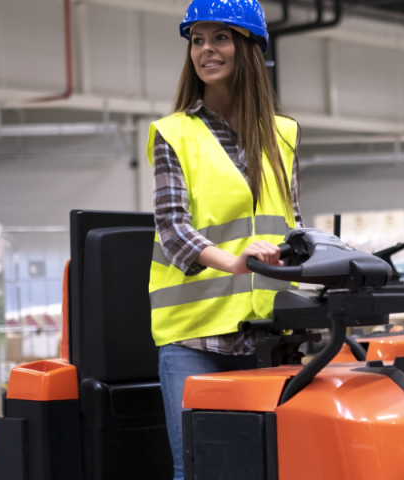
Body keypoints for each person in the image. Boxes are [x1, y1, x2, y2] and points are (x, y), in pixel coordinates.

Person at [147, 1, 301, 478]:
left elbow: (293, 221)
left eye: (221, 37)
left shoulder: (284, 134)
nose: (206, 50)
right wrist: (236, 262)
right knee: (198, 469)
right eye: (197, 39)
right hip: (196, 338)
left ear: (248, 47)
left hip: (268, 337)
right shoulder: (174, 134)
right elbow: (173, 229)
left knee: (266, 467)